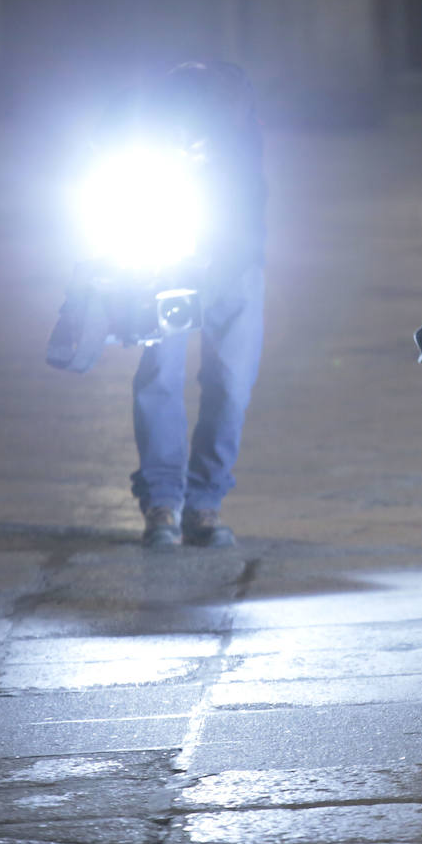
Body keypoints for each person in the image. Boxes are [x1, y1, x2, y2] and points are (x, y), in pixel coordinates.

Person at [104, 61, 268, 548]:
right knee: (160, 376)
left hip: (237, 266)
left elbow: (255, 199)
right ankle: (163, 504)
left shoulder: (241, 129)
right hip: (167, 267)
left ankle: (204, 502)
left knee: (232, 384)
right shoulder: (147, 135)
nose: (193, 140)